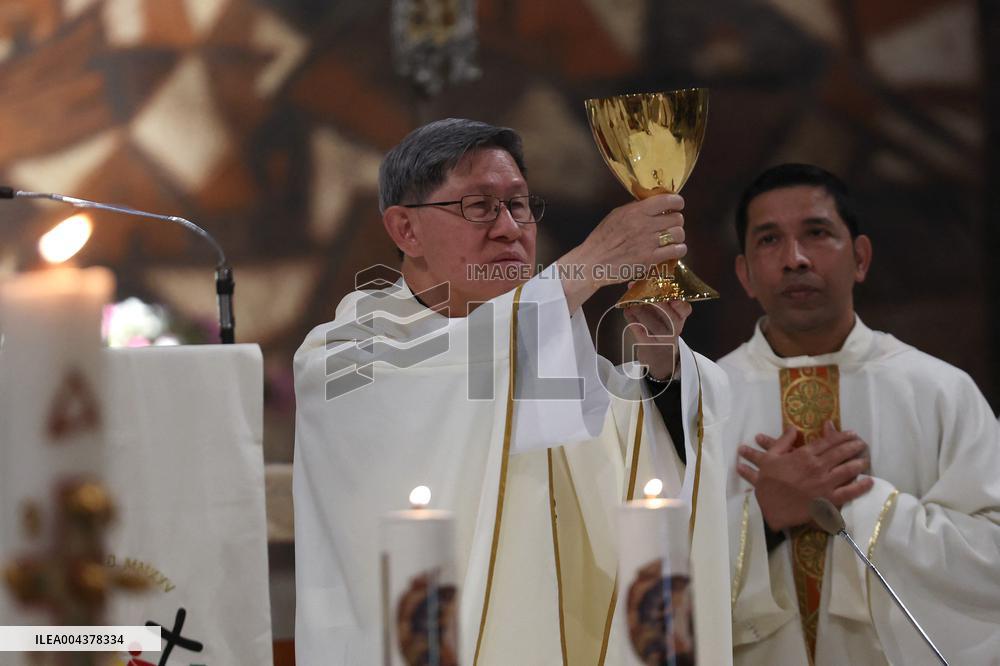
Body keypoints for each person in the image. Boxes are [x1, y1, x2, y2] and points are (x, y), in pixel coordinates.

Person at [293, 118, 734, 664]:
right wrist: (593, 260)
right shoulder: (343, 355)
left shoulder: (542, 341)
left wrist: (661, 362)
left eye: (519, 205)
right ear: (405, 229)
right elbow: (442, 380)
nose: (509, 228)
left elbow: (631, 457)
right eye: (479, 206)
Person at [721, 163, 1000, 665]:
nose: (795, 259)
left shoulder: (940, 391)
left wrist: (863, 507)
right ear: (744, 273)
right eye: (769, 240)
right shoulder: (705, 401)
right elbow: (656, 567)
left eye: (817, 232)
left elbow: (993, 558)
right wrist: (762, 518)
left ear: (861, 258)